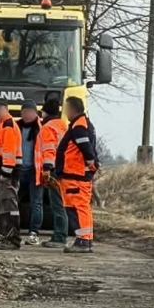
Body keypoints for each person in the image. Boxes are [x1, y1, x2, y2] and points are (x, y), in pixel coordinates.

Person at [56, 97, 98, 253]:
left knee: (77, 208)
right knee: (78, 207)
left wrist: (91, 163)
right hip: (76, 174)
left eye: (66, 109)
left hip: (75, 175)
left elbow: (85, 147)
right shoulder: (81, 124)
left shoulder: (79, 126)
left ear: (72, 109)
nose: (65, 112)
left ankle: (83, 240)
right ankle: (85, 239)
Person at [0, 100, 23, 250]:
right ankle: (4, 234)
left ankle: (13, 238)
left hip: (7, 173)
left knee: (9, 205)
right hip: (2, 173)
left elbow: (9, 152)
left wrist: (6, 172)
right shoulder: (2, 125)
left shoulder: (8, 126)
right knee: (3, 205)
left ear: (5, 110)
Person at [36, 98, 68, 248]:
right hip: (66, 168)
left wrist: (47, 169)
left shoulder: (48, 127)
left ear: (45, 112)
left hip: (54, 170)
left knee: (57, 204)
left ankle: (59, 237)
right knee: (63, 203)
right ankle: (61, 234)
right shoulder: (63, 125)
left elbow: (49, 149)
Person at [17, 100, 43, 245]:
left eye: (30, 112)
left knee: (36, 203)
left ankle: (34, 233)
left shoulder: (41, 128)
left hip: (35, 171)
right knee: (11, 202)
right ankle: (8, 230)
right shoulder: (15, 127)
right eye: (25, 112)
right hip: (18, 170)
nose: (27, 115)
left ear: (35, 113)